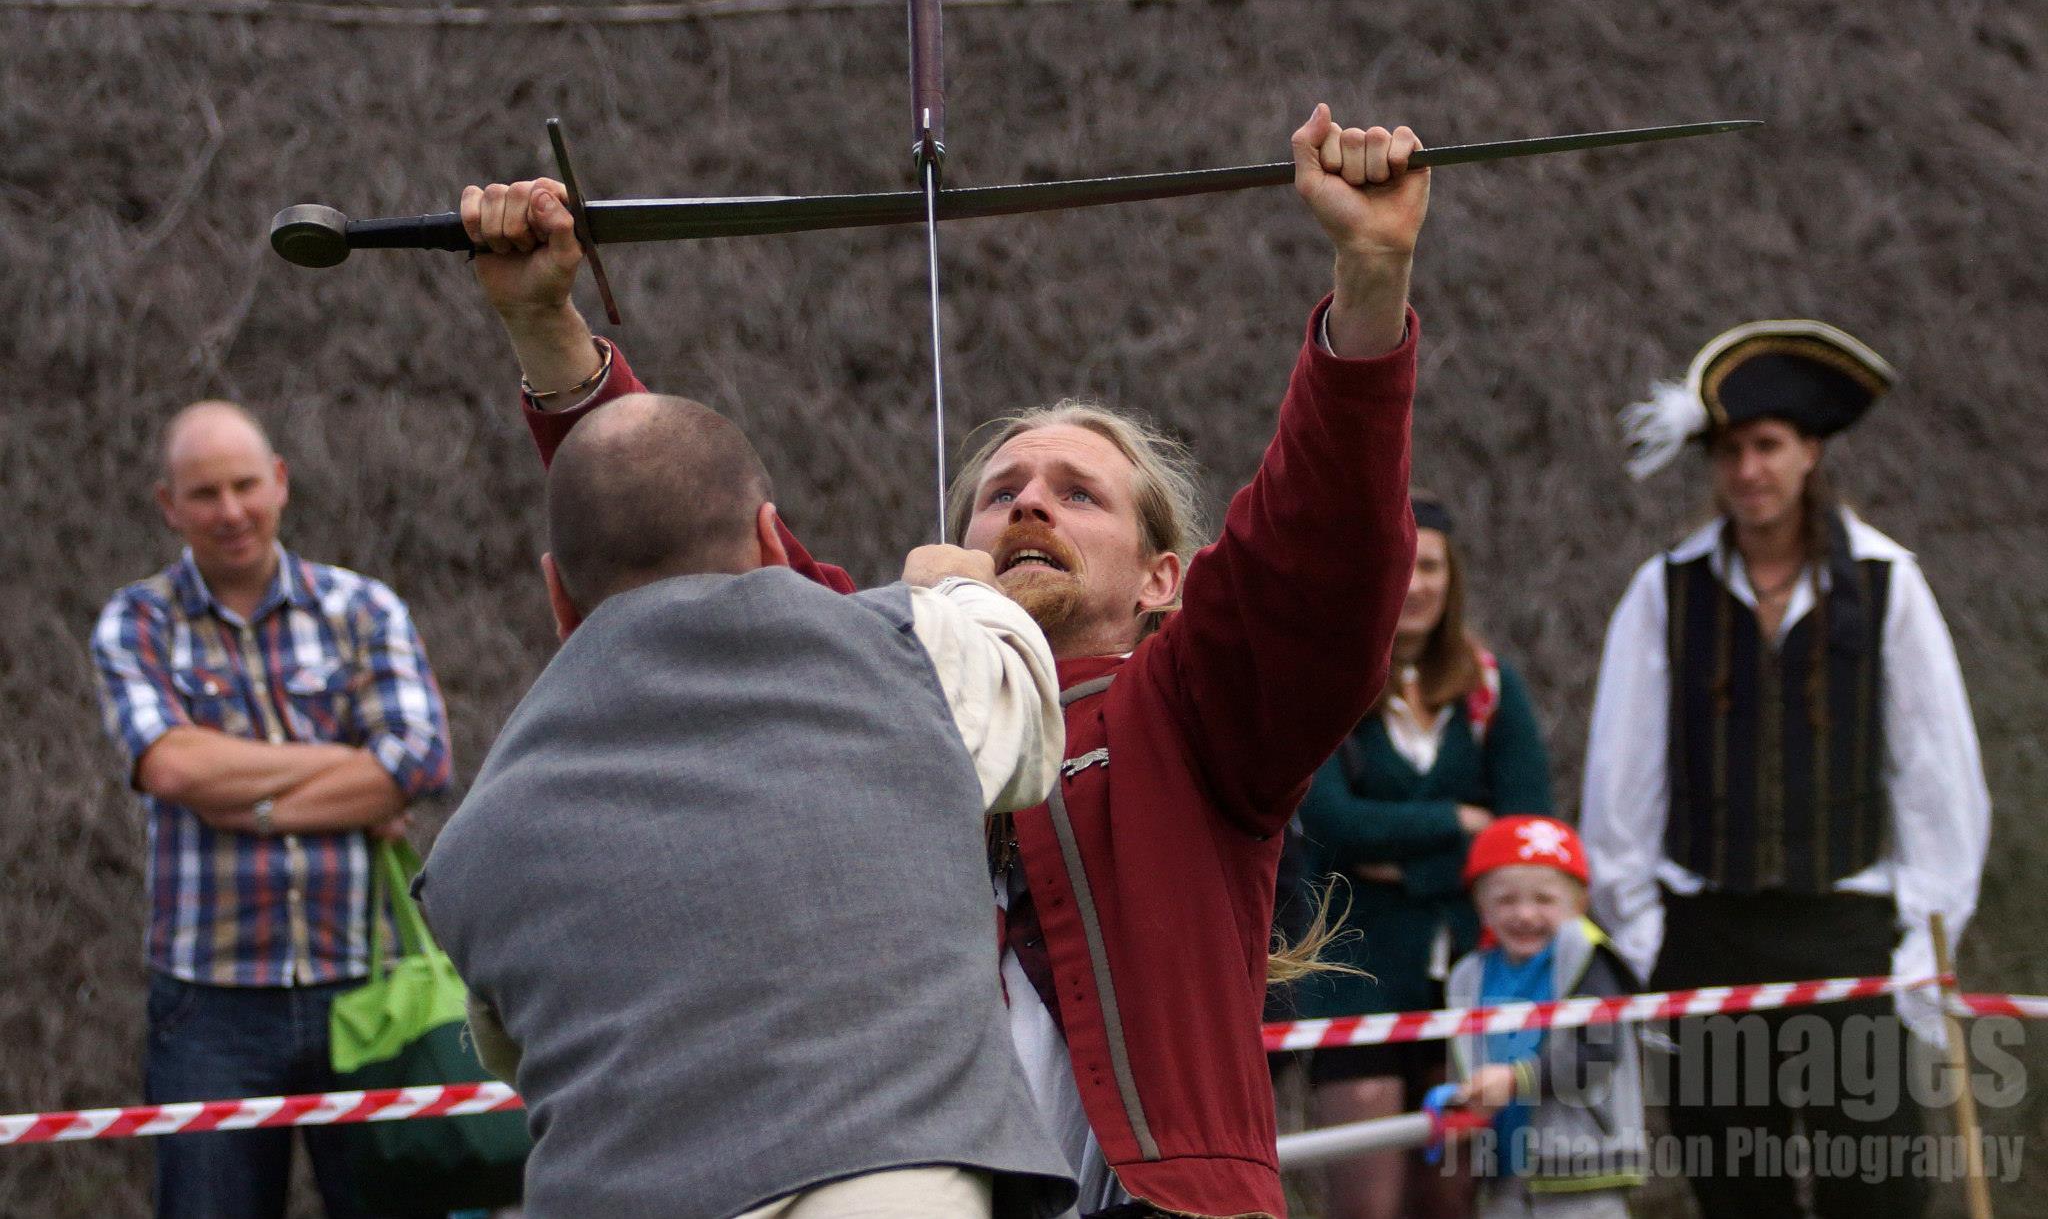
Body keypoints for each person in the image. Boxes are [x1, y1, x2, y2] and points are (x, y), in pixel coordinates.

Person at [456, 103, 1425, 1219]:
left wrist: (1368, 271)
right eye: (1001, 491)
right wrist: (547, 331)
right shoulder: (861, 681)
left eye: (1077, 493)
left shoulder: (1195, 708)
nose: (1028, 504)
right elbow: (686, 565)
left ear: (1163, 576)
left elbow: (1319, 549)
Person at [416, 393, 1076, 1219]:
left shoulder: (473, 842)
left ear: (558, 596)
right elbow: (1025, 705)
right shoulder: (909, 650)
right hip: (898, 1179)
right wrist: (961, 593)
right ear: (773, 538)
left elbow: (515, 1049)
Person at [1581, 321, 1990, 1217]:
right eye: (1729, 451)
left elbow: (1937, 776)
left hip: (1847, 927)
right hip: (1707, 936)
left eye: (1768, 446)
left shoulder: (1887, 583)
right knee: (1738, 1193)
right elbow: (1621, 785)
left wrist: (1922, 943)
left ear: (1810, 451)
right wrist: (1655, 942)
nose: (1748, 470)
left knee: (1878, 1188)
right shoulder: (1666, 590)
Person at [89, 401, 453, 1219]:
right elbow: (172, 765)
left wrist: (247, 804)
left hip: (370, 988)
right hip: (207, 1002)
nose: (230, 511)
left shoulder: (363, 608)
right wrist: (349, 769)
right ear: (169, 504)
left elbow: (422, 761)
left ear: (280, 481)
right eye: (205, 492)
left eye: (245, 485)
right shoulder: (136, 620)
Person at [1293, 492, 1553, 1219]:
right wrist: (1456, 820)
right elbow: (1329, 821)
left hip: (1470, 981)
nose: (1415, 582)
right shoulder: (1329, 688)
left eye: (1430, 564)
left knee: (1450, 1196)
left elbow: (1525, 833)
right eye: (1398, 563)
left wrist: (1410, 861)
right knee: (1367, 1201)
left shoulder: (1491, 689)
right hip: (1356, 976)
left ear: (1452, 574)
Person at [1445, 816, 1644, 1219]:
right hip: (1502, 1170)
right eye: (1506, 900)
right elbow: (1466, 1058)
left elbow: (1600, 1055)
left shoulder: (1586, 954)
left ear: (1578, 904)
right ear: (1481, 904)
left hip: (1583, 1167)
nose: (1525, 913)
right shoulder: (1469, 974)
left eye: (1544, 899)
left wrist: (1517, 1081)